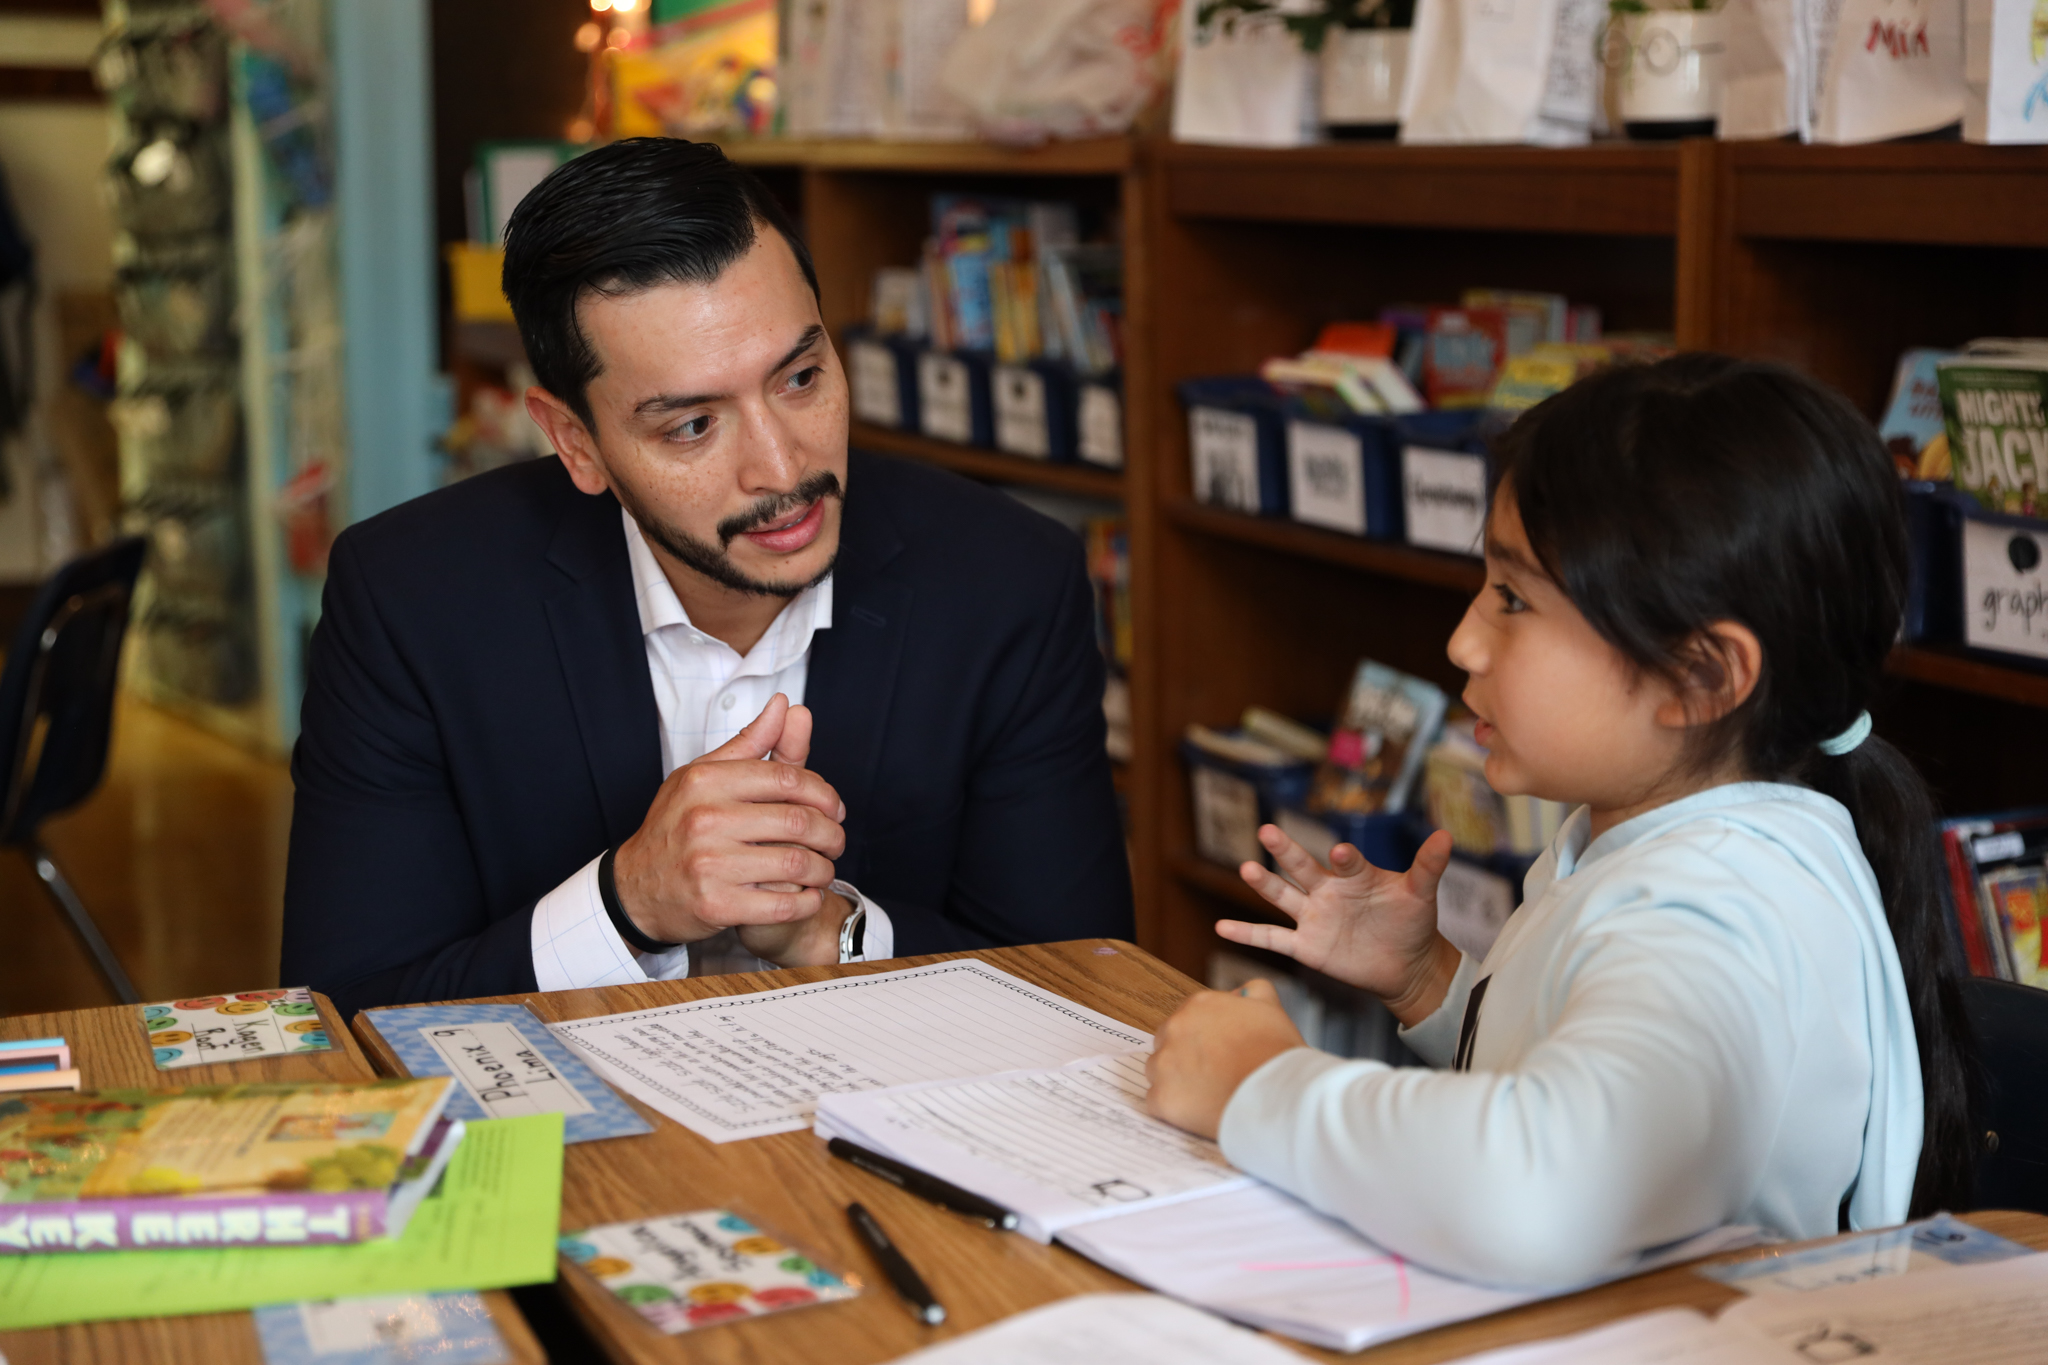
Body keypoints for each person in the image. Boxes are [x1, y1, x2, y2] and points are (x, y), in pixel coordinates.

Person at [1145, 355, 1976, 1288]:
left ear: (1699, 676)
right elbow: (1595, 1075)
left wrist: (1266, 1091)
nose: (1463, 640)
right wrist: (1431, 983)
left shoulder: (1718, 909)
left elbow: (1545, 1192)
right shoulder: (1686, 843)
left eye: (1513, 598)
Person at [281, 139, 1131, 1019]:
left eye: (801, 377)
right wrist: (628, 903)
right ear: (576, 443)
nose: (781, 467)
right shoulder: (411, 600)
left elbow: (1088, 987)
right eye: (691, 426)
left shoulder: (1007, 580)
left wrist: (827, 935)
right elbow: (346, 1014)